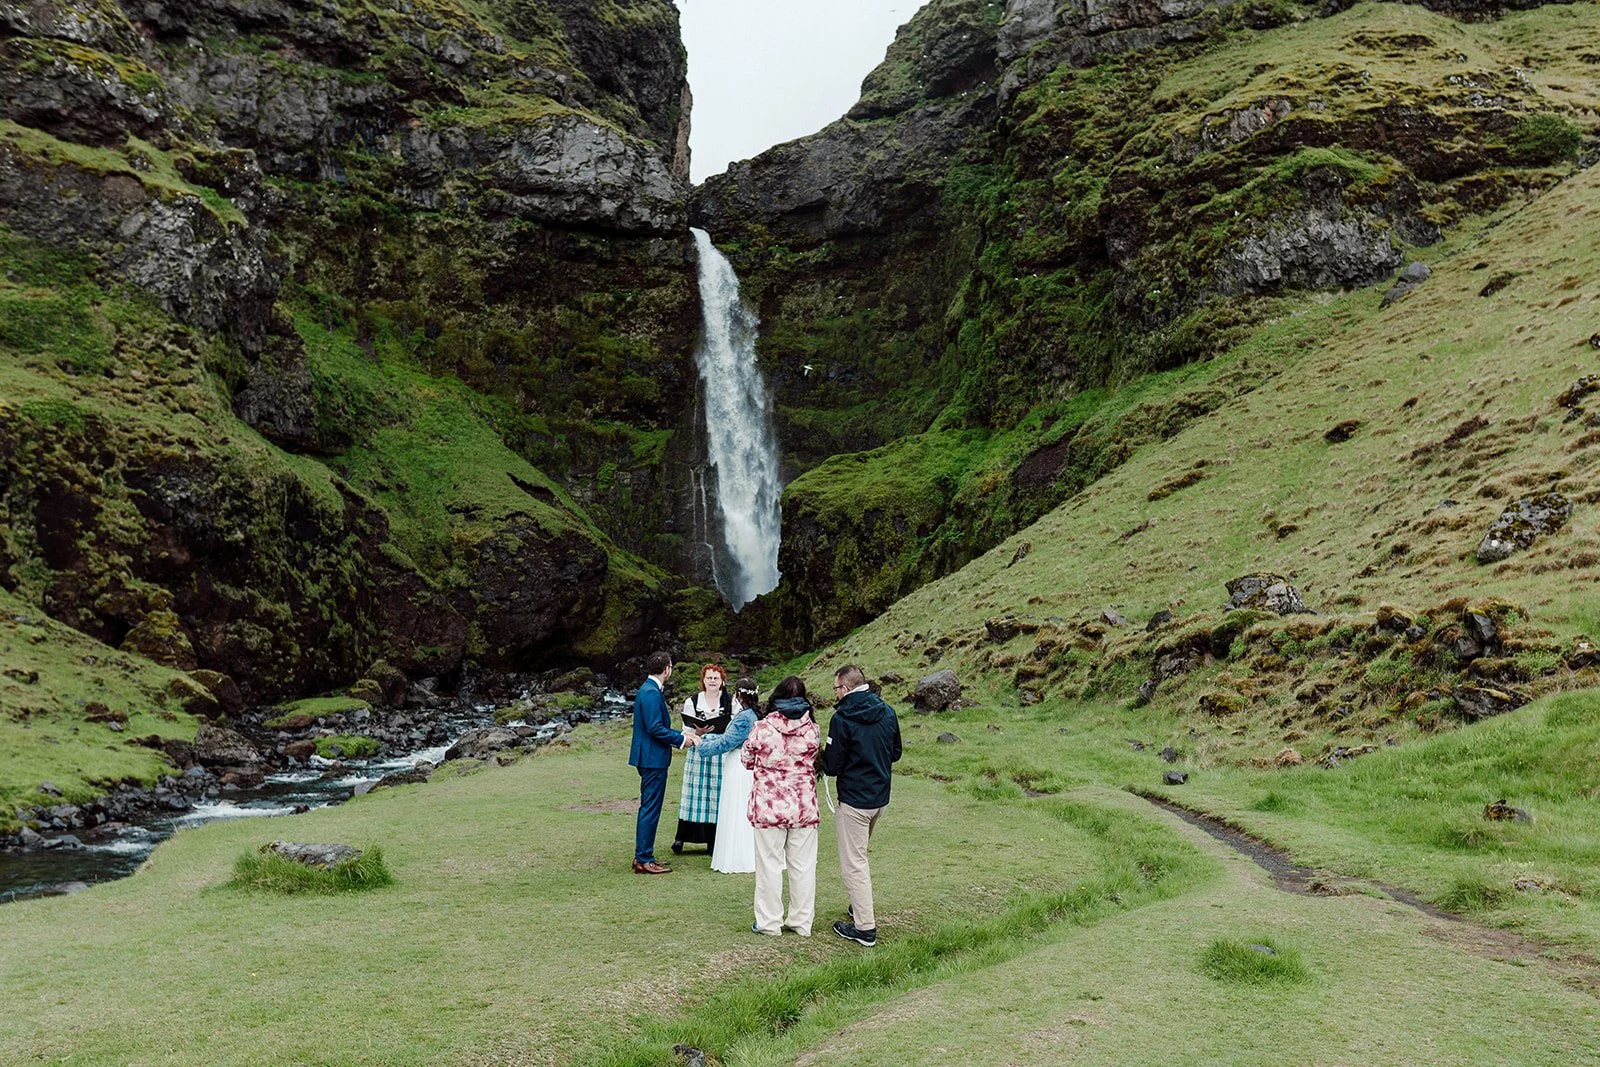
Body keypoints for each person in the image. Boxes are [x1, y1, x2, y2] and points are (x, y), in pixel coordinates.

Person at [821, 664, 901, 946]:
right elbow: (896, 753)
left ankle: (865, 927)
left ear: (844, 688)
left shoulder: (841, 718)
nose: (836, 695)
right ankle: (859, 905)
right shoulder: (888, 711)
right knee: (860, 855)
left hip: (854, 801)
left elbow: (831, 766)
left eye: (836, 689)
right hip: (879, 797)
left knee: (854, 863)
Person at [742, 675, 821, 936]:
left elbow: (746, 759)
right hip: (802, 806)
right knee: (803, 866)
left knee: (769, 866)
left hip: (769, 805)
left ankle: (769, 922)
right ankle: (800, 921)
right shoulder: (812, 730)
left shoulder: (762, 728)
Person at [627, 652, 698, 874]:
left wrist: (684, 735)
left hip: (651, 756)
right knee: (650, 807)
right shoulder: (650, 692)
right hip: (652, 758)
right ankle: (643, 859)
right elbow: (655, 728)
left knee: (651, 806)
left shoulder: (650, 690)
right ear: (667, 669)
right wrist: (682, 740)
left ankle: (644, 855)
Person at [692, 677, 760, 874]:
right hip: (749, 765)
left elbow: (727, 743)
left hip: (739, 765)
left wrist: (701, 744)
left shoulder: (744, 718)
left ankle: (739, 858)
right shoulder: (756, 714)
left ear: (739, 695)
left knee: (737, 809)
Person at [672, 664, 733, 854]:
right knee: (694, 793)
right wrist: (696, 731)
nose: (712, 681)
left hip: (720, 751)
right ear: (703, 680)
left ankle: (713, 840)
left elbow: (735, 725)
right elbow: (687, 729)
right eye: (709, 678)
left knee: (716, 793)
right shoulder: (693, 701)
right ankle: (681, 838)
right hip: (698, 748)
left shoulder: (731, 701)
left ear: (722, 680)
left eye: (716, 678)